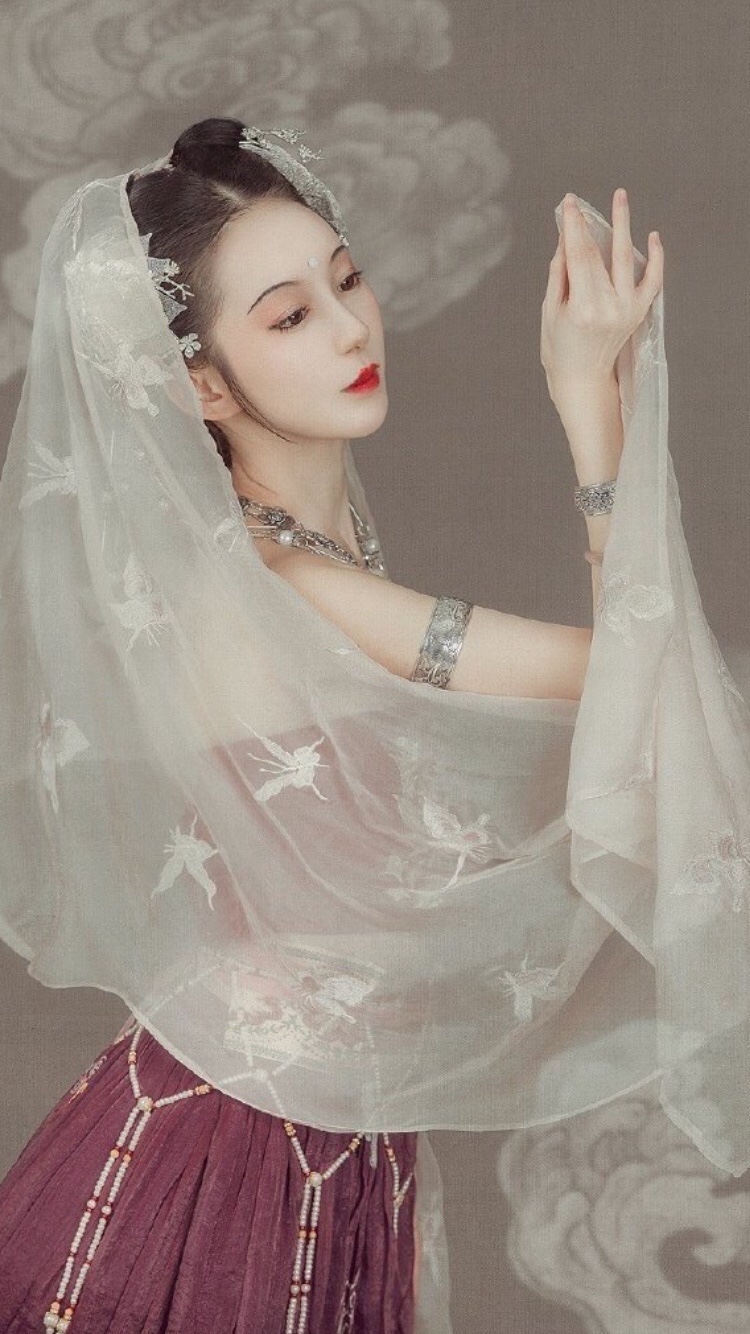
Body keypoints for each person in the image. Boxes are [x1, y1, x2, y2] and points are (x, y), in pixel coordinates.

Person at [0, 117, 748, 1334]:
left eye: (347, 281)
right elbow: (641, 679)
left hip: (328, 1144)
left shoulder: (301, 552)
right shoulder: (280, 588)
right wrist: (586, 401)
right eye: (290, 316)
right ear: (200, 381)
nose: (351, 329)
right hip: (224, 1163)